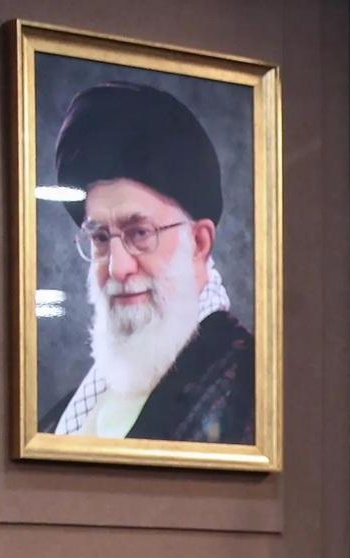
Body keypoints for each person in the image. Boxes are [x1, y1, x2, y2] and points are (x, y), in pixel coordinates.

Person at [43, 81, 252, 443]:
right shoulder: (67, 413)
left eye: (139, 233)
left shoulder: (247, 387)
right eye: (101, 238)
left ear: (199, 243)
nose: (117, 268)